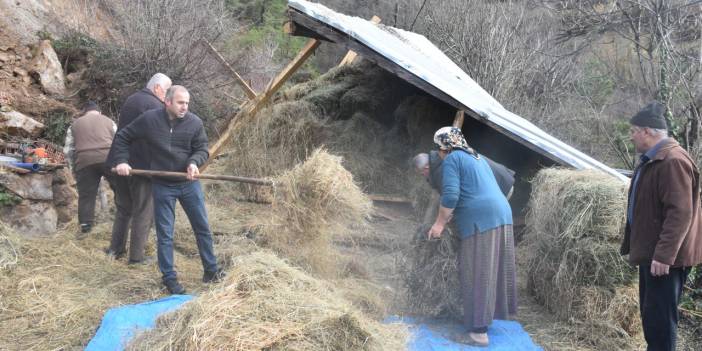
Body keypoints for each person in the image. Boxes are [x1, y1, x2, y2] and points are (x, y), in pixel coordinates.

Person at [111, 85, 224, 294]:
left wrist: (193, 163)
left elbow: (202, 149)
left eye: (187, 103)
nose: (185, 107)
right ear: (168, 102)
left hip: (188, 184)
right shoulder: (149, 120)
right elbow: (123, 136)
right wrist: (122, 161)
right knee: (165, 234)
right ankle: (169, 278)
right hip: (162, 184)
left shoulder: (194, 123)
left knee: (202, 228)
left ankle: (211, 270)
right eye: (181, 103)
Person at [621, 101, 702, 351]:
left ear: (648, 131)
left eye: (634, 131)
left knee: (660, 321)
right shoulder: (654, 159)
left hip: (667, 260)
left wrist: (664, 255)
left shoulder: (672, 161)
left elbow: (680, 213)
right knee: (652, 317)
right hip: (655, 255)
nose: (631, 137)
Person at [427, 126, 517, 347]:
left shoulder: (452, 159)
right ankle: (483, 319)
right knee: (491, 270)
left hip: (482, 219)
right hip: (502, 214)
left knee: (476, 271)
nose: (438, 152)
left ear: (444, 147)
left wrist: (439, 224)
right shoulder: (476, 157)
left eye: (438, 148)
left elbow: (450, 195)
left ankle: (478, 333)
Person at [106, 73, 172, 264]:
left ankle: (115, 250)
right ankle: (136, 258)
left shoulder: (132, 99)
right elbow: (159, 141)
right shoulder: (156, 107)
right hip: (141, 168)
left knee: (123, 209)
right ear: (158, 88)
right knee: (143, 211)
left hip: (120, 163)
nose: (167, 96)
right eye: (167, 91)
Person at [63, 101, 117, 236]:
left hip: (84, 161)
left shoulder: (74, 125)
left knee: (86, 195)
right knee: (121, 189)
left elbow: (68, 150)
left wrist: (73, 168)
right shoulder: (109, 121)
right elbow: (119, 141)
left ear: (85, 112)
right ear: (99, 112)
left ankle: (86, 226)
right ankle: (124, 217)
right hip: (109, 159)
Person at [413, 150, 515, 198]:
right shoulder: (442, 155)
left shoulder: (441, 170)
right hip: (502, 177)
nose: (424, 177)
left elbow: (451, 197)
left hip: (500, 186)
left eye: (422, 174)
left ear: (426, 168)